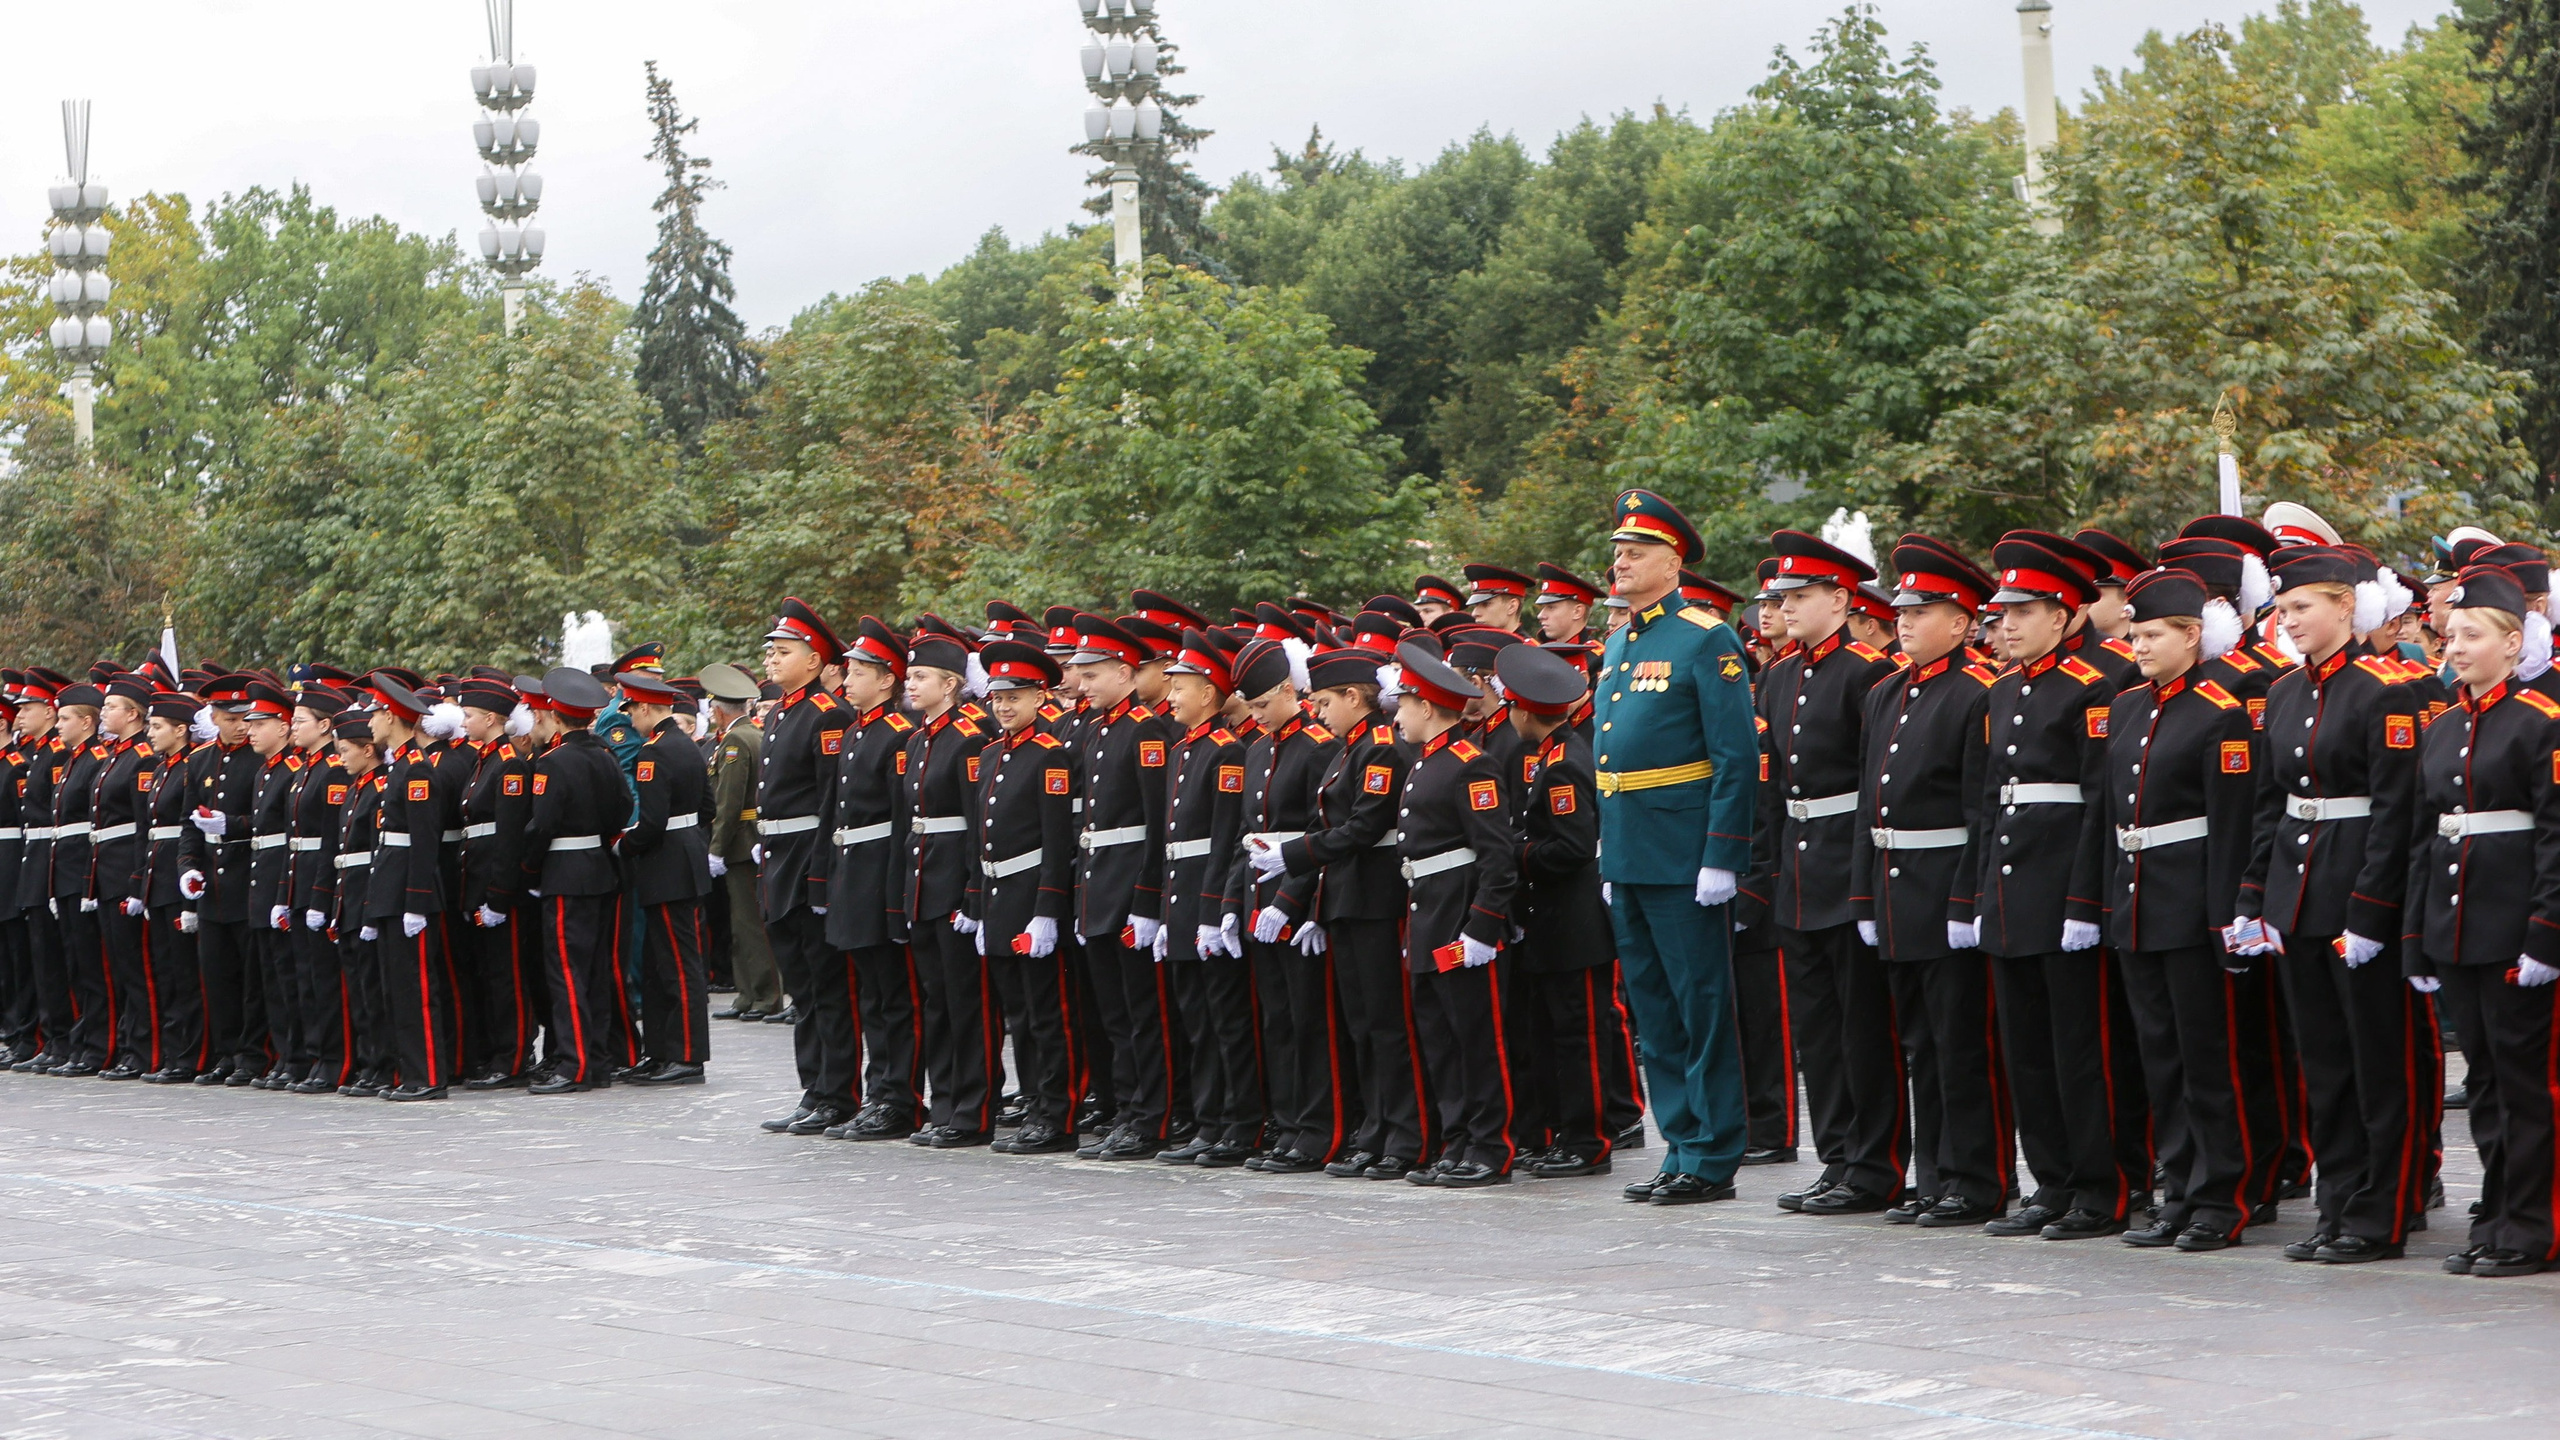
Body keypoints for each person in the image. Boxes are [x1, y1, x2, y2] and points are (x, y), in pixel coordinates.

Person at [2229, 545, 2428, 1264]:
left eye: (2302, 608)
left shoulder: (2384, 690)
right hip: (2297, 896)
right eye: (2282, 611)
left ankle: (2385, 1209)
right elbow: (2268, 807)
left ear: (2345, 606)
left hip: (2354, 895)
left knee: (2378, 1059)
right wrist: (2256, 897)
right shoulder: (2283, 693)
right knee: (2323, 1062)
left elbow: (2395, 810)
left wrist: (2372, 909)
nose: (2290, 622)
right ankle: (2338, 1203)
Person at [1970, 534, 2137, 1240]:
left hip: (2062, 881)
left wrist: (2082, 901)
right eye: (2002, 613)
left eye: (2024, 611)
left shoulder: (2098, 685)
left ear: (2067, 614)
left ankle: (2104, 1187)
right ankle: (2052, 1181)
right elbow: (1987, 801)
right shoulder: (2003, 687)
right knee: (2027, 1049)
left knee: (2082, 1050)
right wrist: (1977, 894)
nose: (2005, 625)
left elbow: (2099, 801)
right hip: (2011, 889)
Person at [2105, 568, 2273, 1252]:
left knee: (2209, 1059)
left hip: (2191, 906)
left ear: (2192, 635)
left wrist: (2225, 919)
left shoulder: (2219, 711)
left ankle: (2221, 1196)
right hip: (2139, 905)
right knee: (2161, 1060)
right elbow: (2110, 816)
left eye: (2151, 635)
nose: (2137, 646)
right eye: (2134, 633)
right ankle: (2179, 1189)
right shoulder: (2127, 707)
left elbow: (2232, 827)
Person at [2400, 564, 2560, 1278]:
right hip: (2456, 927)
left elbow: (2556, 834)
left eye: (2472, 635)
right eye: (2451, 633)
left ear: (2513, 641)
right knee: (2489, 1082)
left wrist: (2548, 930)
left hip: (2513, 925)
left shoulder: (2543, 723)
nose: (2455, 646)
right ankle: (2497, 1215)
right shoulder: (2443, 727)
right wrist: (2416, 935)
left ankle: (2536, 1226)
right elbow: (2422, 836)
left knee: (2529, 1084)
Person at [1851, 539, 2005, 1228]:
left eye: (1924, 610)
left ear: (1964, 621)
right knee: (1918, 1041)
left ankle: (1976, 1178)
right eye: (1902, 611)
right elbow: (1868, 803)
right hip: (1894, 884)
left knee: (1961, 1042)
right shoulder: (1886, 692)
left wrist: (1967, 898)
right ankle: (1936, 1174)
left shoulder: (1979, 692)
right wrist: (1863, 894)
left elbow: (1980, 808)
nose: (1905, 622)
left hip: (1946, 883)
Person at [1756, 527, 1907, 1214]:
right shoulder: (1779, 675)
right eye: (1783, 595)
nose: (1785, 606)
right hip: (1797, 863)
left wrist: (1864, 877)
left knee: (1861, 1028)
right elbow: (1772, 784)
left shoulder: (1867, 673)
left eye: (1802, 594)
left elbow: (1876, 782)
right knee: (1817, 1029)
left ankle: (1875, 1165)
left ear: (1841, 600)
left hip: (1848, 861)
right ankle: (1839, 1157)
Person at [1266, 642, 1424, 1180]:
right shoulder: (1348, 748)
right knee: (1362, 1025)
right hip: (1347, 899)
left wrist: (1291, 856)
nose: (1318, 710)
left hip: (1377, 900)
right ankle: (1376, 1130)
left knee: (1387, 1024)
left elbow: (1364, 826)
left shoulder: (1379, 748)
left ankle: (1404, 1136)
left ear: (1355, 696)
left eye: (1326, 701)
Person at [1496, 642, 1642, 1178]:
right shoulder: (1554, 755)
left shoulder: (1563, 765)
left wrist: (1513, 851)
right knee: (1553, 1035)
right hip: (1551, 924)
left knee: (1578, 1037)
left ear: (1526, 711)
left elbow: (1573, 849)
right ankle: (1565, 1134)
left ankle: (1589, 1141)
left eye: (1511, 707)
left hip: (1573, 925)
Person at [1390, 642, 1523, 1188]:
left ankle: (1491, 1147)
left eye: (1402, 704)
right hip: (1428, 916)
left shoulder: (1473, 764)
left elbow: (1497, 855)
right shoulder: (1427, 763)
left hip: (1459, 919)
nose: (1395, 716)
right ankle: (1458, 1139)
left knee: (1477, 1039)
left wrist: (1482, 924)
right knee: (1440, 1039)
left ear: (1425, 706)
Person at [1227, 638, 1345, 1173]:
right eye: (1248, 708)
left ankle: (1320, 1129)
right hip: (1259, 896)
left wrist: (1295, 900)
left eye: (1260, 705)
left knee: (1308, 1021)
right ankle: (1291, 1123)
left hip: (1299, 898)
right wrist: (1232, 901)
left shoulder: (1319, 746)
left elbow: (1322, 832)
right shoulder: (1257, 748)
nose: (1254, 716)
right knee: (1275, 1019)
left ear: (1286, 690)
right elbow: (1247, 834)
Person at [1066, 612, 1179, 1161]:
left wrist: (1149, 897)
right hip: (1099, 878)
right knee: (1114, 1011)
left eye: (1092, 674)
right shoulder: (1099, 727)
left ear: (1125, 673)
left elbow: (1159, 821)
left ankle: (1151, 1115)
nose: (1081, 685)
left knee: (1142, 1013)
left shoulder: (1147, 729)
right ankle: (1128, 1108)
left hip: (1132, 878)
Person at [969, 639, 1080, 1155]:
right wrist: (977, 904)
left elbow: (1058, 841)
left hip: (1031, 892)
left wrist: (1046, 910)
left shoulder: (1050, 755)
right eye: (997, 697)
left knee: (1045, 1013)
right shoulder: (991, 753)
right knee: (1018, 1013)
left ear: (1040, 698)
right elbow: (979, 834)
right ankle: (1033, 1100)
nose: (1005, 706)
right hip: (997, 893)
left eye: (1016, 696)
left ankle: (1056, 1113)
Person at [1154, 630, 1260, 1167]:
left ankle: (1238, 1125)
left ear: (1210, 693)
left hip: (1207, 895)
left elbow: (1225, 838)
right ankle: (1208, 1119)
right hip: (1181, 896)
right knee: (1195, 1018)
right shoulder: (1183, 749)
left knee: (1227, 1019)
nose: (1170, 696)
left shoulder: (1227, 751)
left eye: (1181, 687)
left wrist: (1216, 907)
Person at [754, 601, 858, 1135]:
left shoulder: (827, 714)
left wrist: (821, 873)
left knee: (826, 985)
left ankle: (837, 1092)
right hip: (776, 857)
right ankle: (812, 1088)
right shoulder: (782, 710)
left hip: (806, 857)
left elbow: (828, 801)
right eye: (771, 650)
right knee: (801, 985)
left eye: (784, 651)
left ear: (815, 661)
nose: (772, 658)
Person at [821, 619, 924, 1140]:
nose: (847, 682)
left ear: (888, 680)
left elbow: (903, 822)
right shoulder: (858, 730)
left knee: (893, 996)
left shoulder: (897, 736)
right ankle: (878, 1090)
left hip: (880, 870)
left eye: (859, 672)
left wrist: (894, 895)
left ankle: (900, 1098)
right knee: (870, 996)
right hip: (851, 871)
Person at [899, 621, 998, 1146]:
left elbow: (977, 822)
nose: (910, 685)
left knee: (967, 1001)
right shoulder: (918, 739)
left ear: (951, 684)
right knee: (935, 1000)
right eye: (909, 676)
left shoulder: (968, 738)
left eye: (921, 677)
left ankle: (975, 1108)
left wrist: (972, 894)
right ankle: (944, 1103)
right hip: (920, 881)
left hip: (953, 881)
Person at [519, 668, 633, 1095]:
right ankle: (598, 1061)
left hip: (565, 875)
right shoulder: (604, 756)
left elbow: (540, 826)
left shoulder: (554, 762)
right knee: (595, 971)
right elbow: (622, 810)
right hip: (601, 869)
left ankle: (575, 1064)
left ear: (555, 716)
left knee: (565, 971)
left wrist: (529, 869)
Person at [362, 677, 462, 1101]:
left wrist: (417, 902)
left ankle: (428, 1076)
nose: (369, 722)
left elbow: (424, 839)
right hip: (391, 886)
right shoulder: (399, 766)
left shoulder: (417, 769)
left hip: (409, 890)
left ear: (390, 716)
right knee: (395, 988)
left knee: (418, 989)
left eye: (374, 714)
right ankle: (409, 1072)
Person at [614, 668, 714, 1086]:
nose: (630, 721)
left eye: (632, 712)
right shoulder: (687, 745)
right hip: (683, 856)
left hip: (666, 862)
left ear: (644, 708)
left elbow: (652, 822)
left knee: (676, 964)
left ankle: (686, 1056)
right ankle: (660, 1051)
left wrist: (623, 846)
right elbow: (707, 807)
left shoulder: (654, 752)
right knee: (659, 966)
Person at [453, 677, 541, 1088]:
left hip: (496, 885)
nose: (464, 721)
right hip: (476, 879)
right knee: (488, 974)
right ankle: (495, 1053)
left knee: (507, 976)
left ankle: (514, 1058)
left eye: (469, 715)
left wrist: (500, 896)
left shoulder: (509, 764)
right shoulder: (483, 759)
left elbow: (509, 837)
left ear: (491, 718)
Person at [701, 663, 780, 1022]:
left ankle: (762, 995)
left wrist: (716, 848)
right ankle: (747, 994)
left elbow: (729, 802)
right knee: (742, 920)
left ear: (718, 711)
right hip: (749, 839)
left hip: (740, 841)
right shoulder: (755, 733)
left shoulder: (735, 740)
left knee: (747, 922)